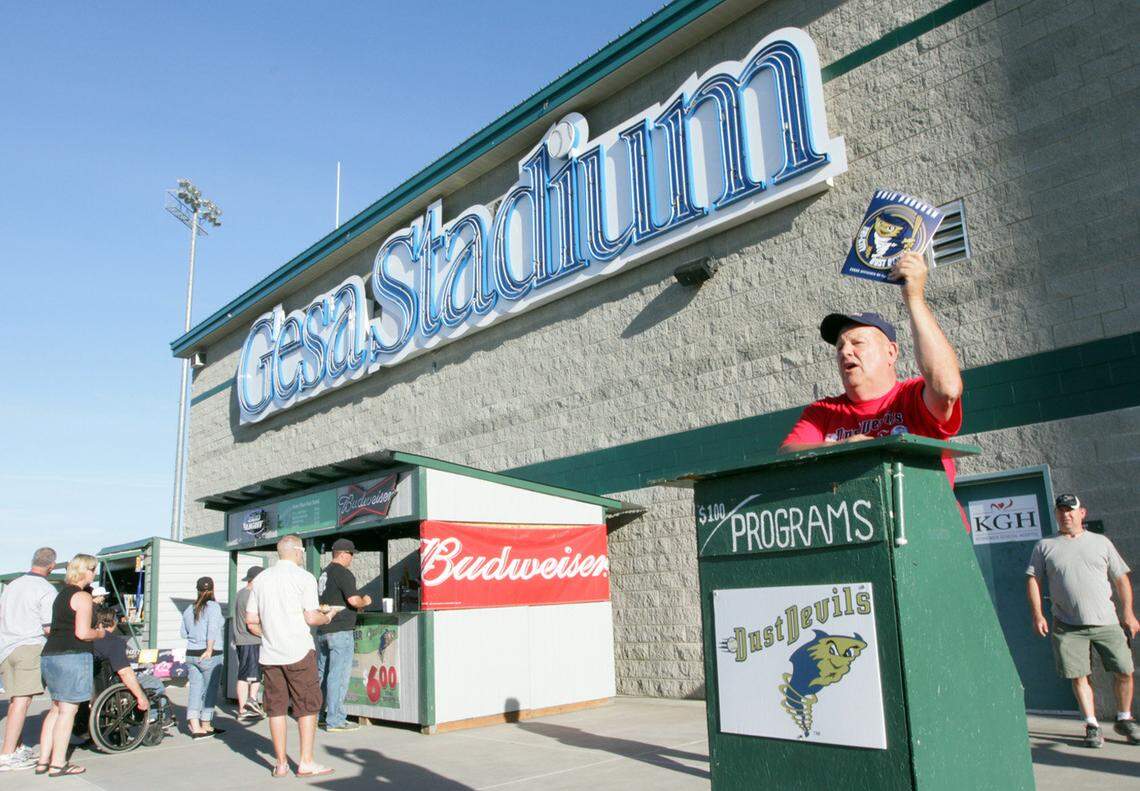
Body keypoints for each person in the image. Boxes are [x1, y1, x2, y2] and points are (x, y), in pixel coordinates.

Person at [780, 251, 964, 487]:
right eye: (840, 346)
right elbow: (786, 455)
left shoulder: (913, 398)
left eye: (857, 343)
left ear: (891, 352)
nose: (845, 352)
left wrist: (914, 297)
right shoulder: (823, 412)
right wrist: (842, 447)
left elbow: (946, 388)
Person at [1026, 494, 1139, 747]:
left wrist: (1128, 613)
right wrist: (1038, 614)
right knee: (1079, 676)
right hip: (1067, 625)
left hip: (1107, 622)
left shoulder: (1101, 543)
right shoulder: (1045, 546)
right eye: (1061, 510)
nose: (1066, 515)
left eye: (1070, 510)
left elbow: (1121, 579)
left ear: (1082, 513)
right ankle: (1092, 725)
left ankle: (1124, 718)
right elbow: (1033, 579)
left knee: (1124, 670)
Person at [246, 535, 335, 778]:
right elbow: (311, 617)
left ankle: (281, 763)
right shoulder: (304, 577)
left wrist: (269, 634)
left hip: (270, 654)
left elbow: (251, 620)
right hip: (298, 651)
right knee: (307, 706)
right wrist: (328, 616)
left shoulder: (261, 579)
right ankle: (305, 761)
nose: (303, 554)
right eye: (302, 550)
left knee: (276, 709)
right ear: (296, 551)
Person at [38, 553, 108, 777]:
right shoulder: (82, 596)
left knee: (56, 708)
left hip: (50, 654)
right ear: (85, 571)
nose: (94, 574)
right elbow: (82, 632)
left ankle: (43, 760)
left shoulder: (61, 595)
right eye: (93, 569)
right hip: (73, 655)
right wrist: (100, 633)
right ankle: (58, 763)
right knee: (68, 711)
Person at [0, 547, 57, 772]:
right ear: (51, 566)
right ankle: (7, 755)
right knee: (22, 702)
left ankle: (16, 746)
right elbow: (48, 627)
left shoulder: (12, 585)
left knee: (15, 701)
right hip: (29, 646)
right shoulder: (45, 589)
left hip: (6, 647)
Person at [316, 538, 372, 732]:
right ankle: (336, 720)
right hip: (340, 630)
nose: (352, 558)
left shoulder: (324, 573)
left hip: (323, 629)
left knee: (323, 674)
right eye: (351, 554)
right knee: (338, 676)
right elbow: (354, 600)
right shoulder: (343, 573)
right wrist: (365, 601)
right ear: (342, 554)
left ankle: (319, 716)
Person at [180, 576, 225, 739]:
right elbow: (212, 629)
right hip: (210, 653)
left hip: (191, 653)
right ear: (212, 589)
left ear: (197, 590)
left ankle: (195, 725)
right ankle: (206, 722)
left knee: (195, 689)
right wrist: (209, 649)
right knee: (210, 690)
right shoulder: (213, 607)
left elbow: (183, 633)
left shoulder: (189, 609)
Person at [233, 566, 266, 722]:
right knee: (248, 676)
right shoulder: (250, 596)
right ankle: (244, 708)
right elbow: (252, 622)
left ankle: (250, 706)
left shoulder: (240, 593)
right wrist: (265, 634)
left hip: (242, 640)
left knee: (248, 675)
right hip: (250, 640)